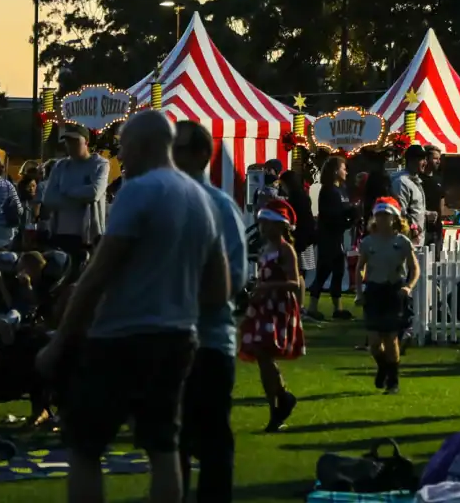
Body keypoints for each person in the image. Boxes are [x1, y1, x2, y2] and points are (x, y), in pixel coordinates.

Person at [36, 110, 229, 503]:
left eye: (124, 146)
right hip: (178, 336)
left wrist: (61, 341)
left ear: (141, 145)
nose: (122, 155)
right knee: (163, 447)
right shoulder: (202, 200)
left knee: (87, 448)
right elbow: (218, 288)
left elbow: (98, 273)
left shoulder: (138, 191)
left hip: (121, 337)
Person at [172, 121, 247, 503]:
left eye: (180, 149)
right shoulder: (164, 202)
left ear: (203, 154)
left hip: (209, 341)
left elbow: (233, 277)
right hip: (167, 341)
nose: (173, 156)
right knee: (174, 443)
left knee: (213, 441)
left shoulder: (219, 205)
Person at [239, 197, 305, 432]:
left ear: (280, 225)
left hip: (278, 307)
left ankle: (279, 402)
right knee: (261, 355)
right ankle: (278, 400)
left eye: (267, 223)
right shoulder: (265, 249)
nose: (263, 227)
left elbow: (294, 283)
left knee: (265, 353)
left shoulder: (286, 250)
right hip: (263, 305)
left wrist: (267, 287)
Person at [356, 197, 419, 395]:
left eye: (387, 215)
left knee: (391, 339)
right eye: (379, 215)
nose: (383, 219)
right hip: (374, 291)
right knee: (374, 342)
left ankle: (393, 380)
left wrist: (408, 286)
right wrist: (359, 291)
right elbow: (360, 268)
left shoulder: (402, 242)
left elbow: (414, 267)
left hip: (394, 291)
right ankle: (383, 367)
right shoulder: (368, 242)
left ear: (395, 218)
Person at [40, 127, 109, 272]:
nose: (70, 145)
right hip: (61, 233)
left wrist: (65, 192)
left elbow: (95, 192)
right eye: (68, 142)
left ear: (86, 142)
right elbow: (48, 199)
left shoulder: (100, 164)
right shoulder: (60, 166)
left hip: (89, 236)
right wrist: (81, 197)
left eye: (75, 141)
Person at [309, 156, 354, 321]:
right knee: (324, 270)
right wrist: (347, 216)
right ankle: (313, 306)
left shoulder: (341, 189)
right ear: (335, 171)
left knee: (338, 271)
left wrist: (351, 215)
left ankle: (338, 308)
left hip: (338, 236)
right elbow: (330, 216)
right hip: (328, 236)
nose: (346, 172)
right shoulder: (328, 190)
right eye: (343, 168)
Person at [279, 170, 317, 302]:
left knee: (297, 272)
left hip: (300, 239)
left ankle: (299, 305)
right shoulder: (303, 197)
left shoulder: (295, 199)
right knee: (300, 273)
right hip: (306, 238)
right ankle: (298, 304)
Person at [390, 145, 428, 246]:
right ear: (411, 160)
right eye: (421, 159)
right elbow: (399, 212)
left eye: (425, 159)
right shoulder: (401, 182)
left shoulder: (415, 181)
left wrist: (426, 213)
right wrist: (413, 229)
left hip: (416, 240)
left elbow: (413, 209)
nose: (425, 163)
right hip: (406, 241)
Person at [421, 145, 447, 260]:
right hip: (422, 227)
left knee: (436, 259)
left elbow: (442, 200)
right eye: (435, 158)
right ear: (426, 159)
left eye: (439, 159)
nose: (438, 161)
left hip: (436, 228)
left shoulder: (439, 179)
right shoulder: (419, 179)